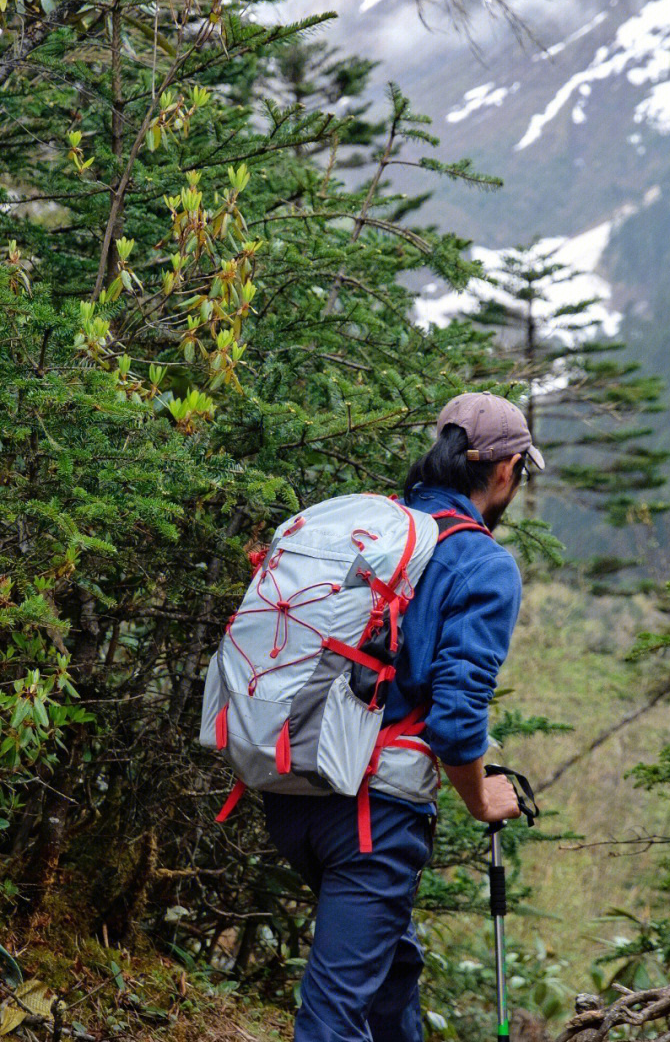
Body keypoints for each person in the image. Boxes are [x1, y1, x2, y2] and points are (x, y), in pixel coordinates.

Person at [263, 392, 544, 1042]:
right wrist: (481, 798)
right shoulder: (480, 561)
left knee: (391, 970)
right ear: (504, 471)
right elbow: (455, 720)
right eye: (521, 474)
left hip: (290, 785)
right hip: (371, 812)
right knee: (334, 1017)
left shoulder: (379, 528)